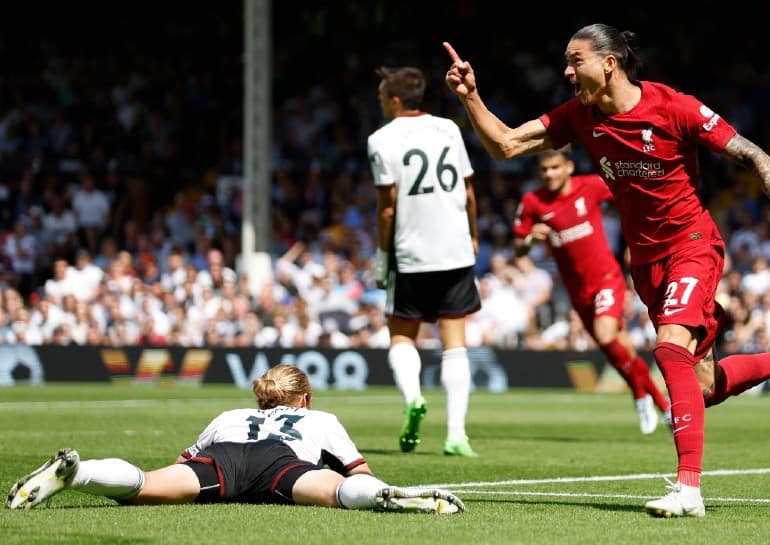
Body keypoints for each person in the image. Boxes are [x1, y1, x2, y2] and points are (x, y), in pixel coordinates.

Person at [443, 23, 770, 518]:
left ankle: (688, 489)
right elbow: (507, 145)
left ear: (608, 62)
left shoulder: (674, 107)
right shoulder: (580, 117)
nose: (566, 71)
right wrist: (471, 97)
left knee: (668, 350)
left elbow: (753, 153)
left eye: (574, 59)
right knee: (702, 387)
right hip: (646, 263)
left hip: (693, 243)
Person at [6, 365, 464, 514]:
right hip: (281, 463)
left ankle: (79, 472)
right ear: (304, 397)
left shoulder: (231, 414)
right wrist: (372, 484)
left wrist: (185, 478)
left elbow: (184, 460)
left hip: (222, 458)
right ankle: (390, 499)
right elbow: (356, 471)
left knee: (144, 485)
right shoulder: (319, 417)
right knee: (337, 492)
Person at [513, 146, 671, 434]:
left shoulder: (590, 186)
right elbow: (518, 244)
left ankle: (639, 396)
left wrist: (636, 241)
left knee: (605, 334)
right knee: (618, 350)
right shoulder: (533, 202)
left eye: (555, 168)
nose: (550, 174)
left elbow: (629, 196)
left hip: (607, 277)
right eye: (545, 170)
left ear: (569, 167)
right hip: (578, 291)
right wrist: (529, 242)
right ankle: (662, 405)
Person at [368, 66, 481, 457]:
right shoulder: (449, 129)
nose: (380, 101)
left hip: (411, 251)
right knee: (455, 345)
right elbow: (468, 190)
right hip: (455, 248)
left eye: (382, 95)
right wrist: (474, 234)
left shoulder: (381, 139)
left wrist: (383, 257)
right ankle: (456, 435)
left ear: (396, 99)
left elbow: (387, 208)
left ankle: (414, 397)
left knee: (401, 335)